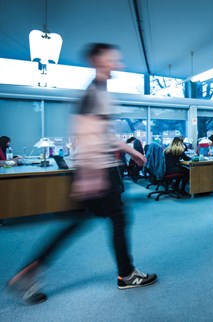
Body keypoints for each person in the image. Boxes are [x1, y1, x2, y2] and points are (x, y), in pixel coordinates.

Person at [6, 43, 156, 305]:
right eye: (112, 59)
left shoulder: (97, 91)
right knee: (117, 220)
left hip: (96, 169)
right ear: (98, 61)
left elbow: (100, 133)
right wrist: (91, 176)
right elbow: (85, 133)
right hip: (98, 171)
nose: (117, 64)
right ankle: (126, 274)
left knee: (77, 224)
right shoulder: (94, 93)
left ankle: (30, 271)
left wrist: (131, 152)